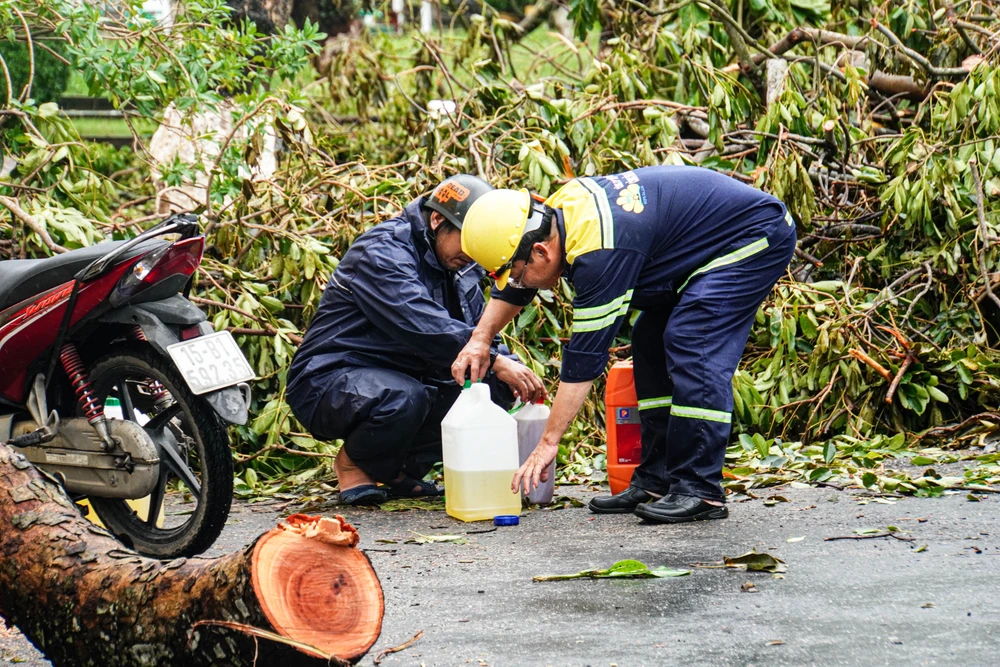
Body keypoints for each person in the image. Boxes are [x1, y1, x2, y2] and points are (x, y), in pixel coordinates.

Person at [452, 165, 795, 523]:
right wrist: (481, 339)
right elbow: (512, 287)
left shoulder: (601, 251)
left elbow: (583, 360)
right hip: (697, 245)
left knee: (694, 339)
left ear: (540, 251)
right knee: (649, 337)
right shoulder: (553, 215)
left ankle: (699, 489)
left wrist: (547, 443)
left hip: (753, 234)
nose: (524, 285)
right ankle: (656, 480)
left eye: (519, 274)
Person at [287, 175, 546, 506]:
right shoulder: (382, 252)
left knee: (493, 388)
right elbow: (422, 324)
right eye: (468, 241)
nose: (473, 254)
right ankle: (353, 464)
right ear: (438, 220)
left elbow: (479, 333)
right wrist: (497, 361)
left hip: (409, 376)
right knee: (404, 397)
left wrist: (504, 363)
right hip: (330, 378)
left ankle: (397, 468)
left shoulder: (460, 263)